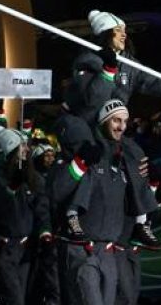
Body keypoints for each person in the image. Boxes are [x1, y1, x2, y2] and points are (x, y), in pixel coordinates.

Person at [61, 9, 161, 249]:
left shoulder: (128, 62)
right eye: (117, 31)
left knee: (137, 156)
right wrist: (107, 72)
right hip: (87, 125)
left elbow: (152, 80)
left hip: (114, 128)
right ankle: (71, 215)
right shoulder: (88, 60)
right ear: (104, 34)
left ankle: (141, 222)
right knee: (92, 158)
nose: (123, 35)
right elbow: (92, 99)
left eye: (124, 31)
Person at [57, 99, 131, 305]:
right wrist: (78, 233)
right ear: (104, 121)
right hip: (84, 250)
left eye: (125, 121)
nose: (122, 126)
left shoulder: (123, 159)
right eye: (116, 120)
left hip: (108, 250)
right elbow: (68, 202)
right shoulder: (89, 157)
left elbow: (131, 204)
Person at [0, 126, 39, 305]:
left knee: (21, 297)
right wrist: (11, 189)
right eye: (22, 146)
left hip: (23, 248)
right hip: (2, 248)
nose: (27, 149)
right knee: (13, 300)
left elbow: (38, 205)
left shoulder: (28, 175)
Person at [26, 141, 59, 305]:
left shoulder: (55, 177)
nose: (51, 159)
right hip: (36, 234)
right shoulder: (33, 179)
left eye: (53, 155)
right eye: (46, 155)